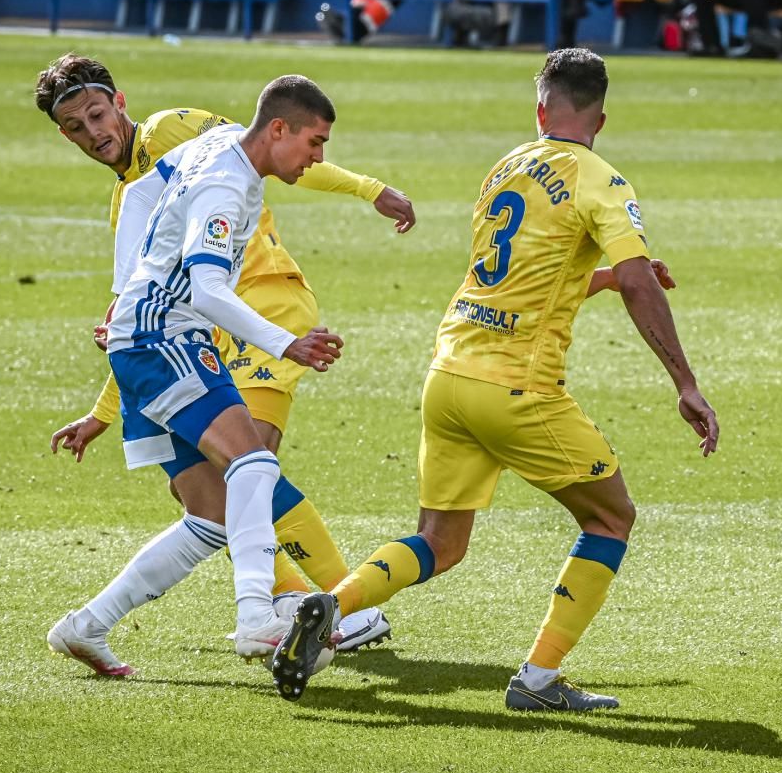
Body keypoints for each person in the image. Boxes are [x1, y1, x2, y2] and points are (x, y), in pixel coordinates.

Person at [270, 48, 719, 712]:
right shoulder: (602, 180)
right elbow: (634, 278)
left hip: (449, 375)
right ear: (601, 116)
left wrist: (603, 277)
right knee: (610, 516)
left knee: (439, 543)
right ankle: (538, 680)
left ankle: (333, 603)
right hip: (517, 387)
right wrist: (684, 380)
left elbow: (526, 277)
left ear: (541, 108)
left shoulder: (506, 167)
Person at [36, 56, 408, 675]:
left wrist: (131, 288)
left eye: (96, 115)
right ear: (281, 131)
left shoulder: (192, 142)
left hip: (157, 336)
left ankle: (85, 626)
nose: (317, 157)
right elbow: (207, 289)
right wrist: (287, 343)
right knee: (254, 464)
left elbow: (143, 198)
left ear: (118, 102)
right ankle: (266, 616)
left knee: (211, 514)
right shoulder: (225, 183)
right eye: (314, 143)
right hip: (180, 333)